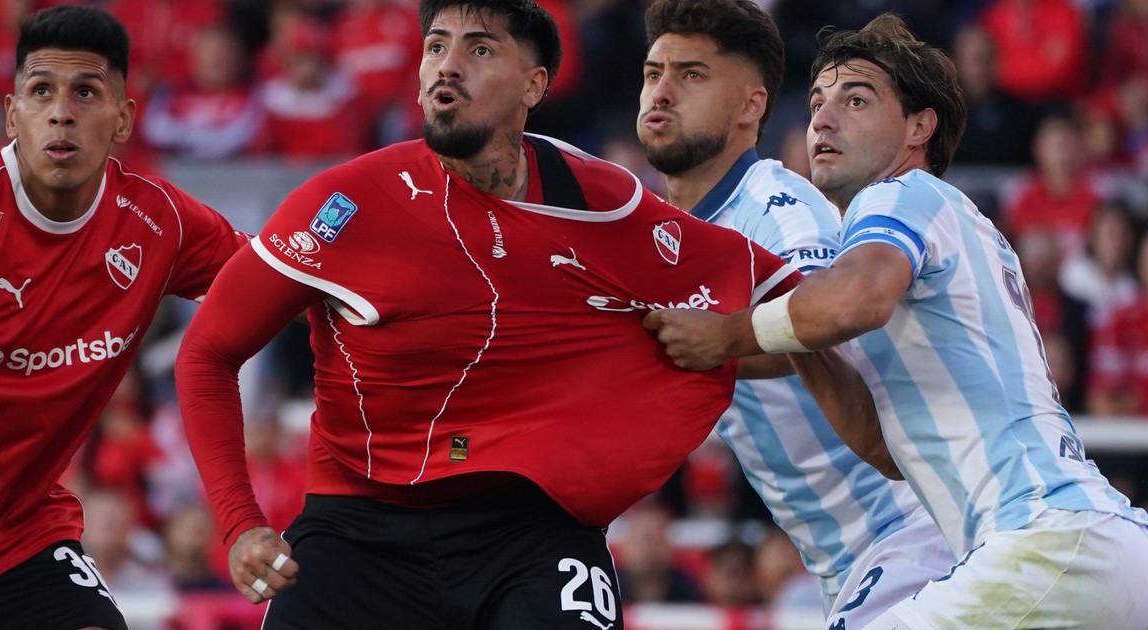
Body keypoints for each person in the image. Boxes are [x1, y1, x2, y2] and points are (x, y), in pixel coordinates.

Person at [172, 1, 881, 628]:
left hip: (536, 535)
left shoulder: (602, 203)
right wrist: (239, 524)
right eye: (436, 45)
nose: (448, 65)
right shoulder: (344, 205)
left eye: (480, 48)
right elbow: (207, 351)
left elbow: (810, 309)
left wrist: (736, 336)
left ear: (534, 86)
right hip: (361, 531)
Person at [646, 14, 1148, 628]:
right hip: (1095, 546)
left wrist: (726, 334)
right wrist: (784, 328)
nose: (823, 120)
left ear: (918, 127)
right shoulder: (946, 230)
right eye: (817, 103)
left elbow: (851, 301)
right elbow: (881, 449)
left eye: (855, 101)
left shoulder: (901, 195)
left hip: (1044, 540)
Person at [635, 1, 956, 626]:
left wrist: (710, 343)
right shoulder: (661, 234)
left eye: (691, 74)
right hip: (845, 560)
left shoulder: (778, 208)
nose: (663, 92)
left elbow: (824, 323)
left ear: (751, 105)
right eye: (653, 73)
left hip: (910, 533)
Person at [0, 6, 248, 629]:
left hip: (18, 543)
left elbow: (282, 285)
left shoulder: (159, 223)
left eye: (85, 92)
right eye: (41, 91)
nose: (61, 112)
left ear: (123, 118)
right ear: (12, 114)